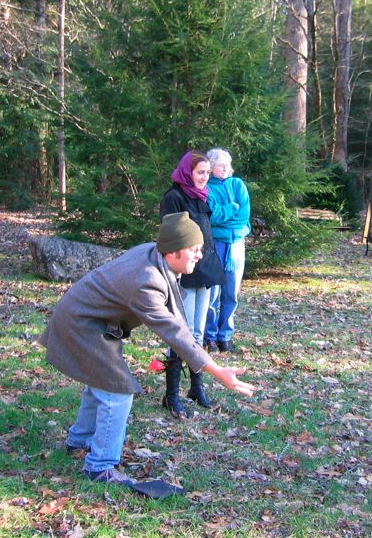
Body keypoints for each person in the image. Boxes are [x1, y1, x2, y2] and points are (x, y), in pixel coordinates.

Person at [39, 212, 255, 484]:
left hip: (90, 321)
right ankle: (100, 466)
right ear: (174, 252)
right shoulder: (146, 281)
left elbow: (175, 318)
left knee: (101, 385)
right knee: (117, 391)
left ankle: (79, 440)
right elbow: (174, 332)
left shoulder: (153, 252)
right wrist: (217, 370)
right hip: (81, 325)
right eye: (194, 250)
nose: (200, 255)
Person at [159, 151, 226, 416]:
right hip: (184, 272)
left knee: (197, 333)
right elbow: (170, 237)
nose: (204, 177)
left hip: (205, 270)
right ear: (188, 171)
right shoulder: (173, 197)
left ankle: (195, 387)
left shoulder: (203, 195)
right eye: (200, 172)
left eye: (208, 173)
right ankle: (171, 394)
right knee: (180, 333)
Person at [204, 148, 251, 354]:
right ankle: (210, 336)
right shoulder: (207, 188)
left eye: (226, 164)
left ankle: (225, 336)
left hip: (236, 246)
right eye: (220, 164)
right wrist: (231, 208)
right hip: (216, 245)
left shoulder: (238, 184)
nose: (224, 168)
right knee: (213, 293)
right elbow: (212, 217)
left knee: (231, 293)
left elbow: (244, 214)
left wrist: (227, 215)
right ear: (211, 167)